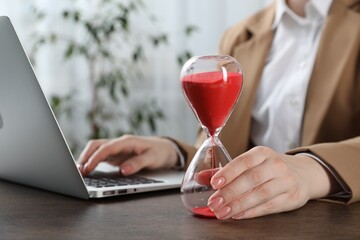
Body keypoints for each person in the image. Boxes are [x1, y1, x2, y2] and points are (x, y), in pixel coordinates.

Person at [78, 0, 360, 220]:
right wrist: (173, 152)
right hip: (248, 223)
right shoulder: (239, 37)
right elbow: (220, 151)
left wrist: (311, 170)